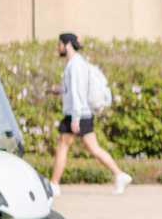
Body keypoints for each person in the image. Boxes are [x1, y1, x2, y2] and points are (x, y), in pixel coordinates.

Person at [50, 33, 130, 192]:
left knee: (63, 145)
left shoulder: (75, 65)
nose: (57, 47)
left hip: (77, 113)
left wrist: (75, 118)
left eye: (59, 44)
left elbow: (78, 92)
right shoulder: (76, 64)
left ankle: (54, 184)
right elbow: (71, 90)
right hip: (81, 113)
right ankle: (119, 174)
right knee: (93, 148)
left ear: (68, 45)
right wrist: (58, 90)